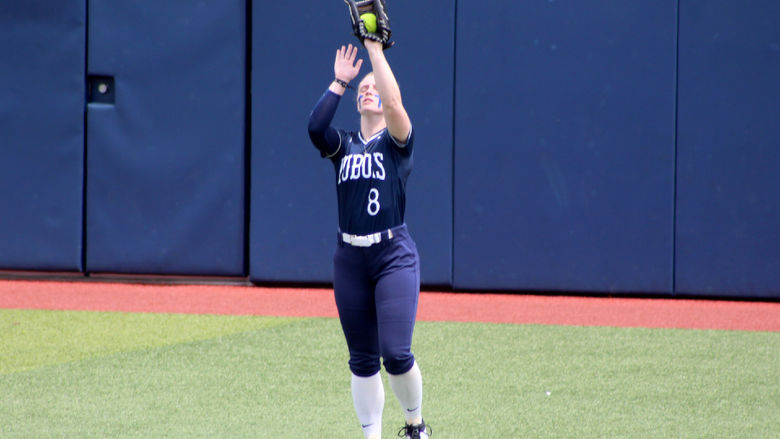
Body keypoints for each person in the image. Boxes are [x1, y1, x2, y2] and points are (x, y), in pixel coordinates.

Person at [307, 40, 430, 439]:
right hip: (350, 259)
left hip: (393, 254)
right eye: (363, 89)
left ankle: (415, 425)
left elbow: (394, 106)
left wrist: (376, 52)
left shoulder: (397, 141)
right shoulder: (344, 146)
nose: (367, 89)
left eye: (373, 86)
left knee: (395, 354)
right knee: (361, 360)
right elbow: (315, 128)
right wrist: (341, 82)